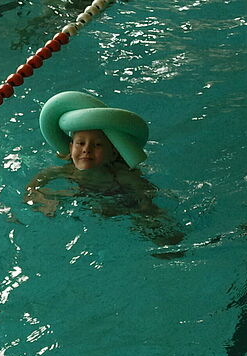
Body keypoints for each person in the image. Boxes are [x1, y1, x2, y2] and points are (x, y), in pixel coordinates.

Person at [23, 91, 185, 255]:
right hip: (87, 200)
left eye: (98, 145)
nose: (86, 149)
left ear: (113, 153)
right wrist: (40, 198)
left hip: (122, 202)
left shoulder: (120, 174)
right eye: (80, 143)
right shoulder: (65, 171)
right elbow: (34, 185)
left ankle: (174, 247)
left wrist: (144, 208)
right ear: (70, 148)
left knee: (153, 226)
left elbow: (146, 193)